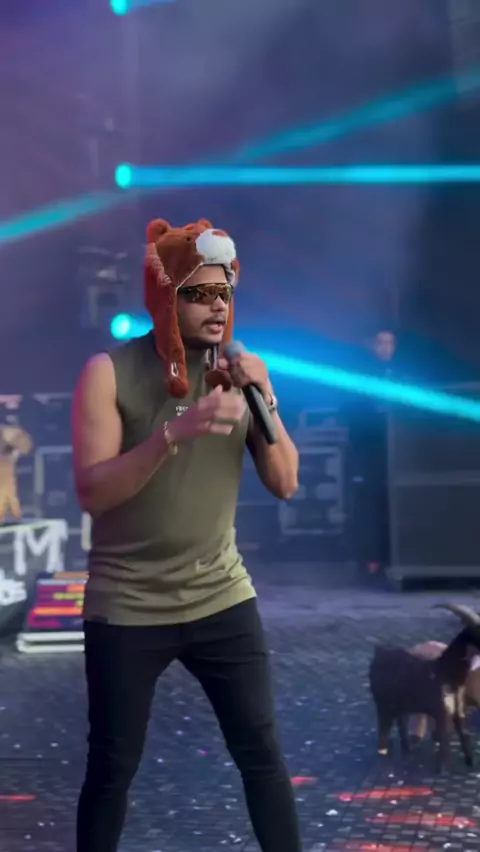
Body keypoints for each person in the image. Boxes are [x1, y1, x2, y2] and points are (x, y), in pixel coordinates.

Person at [72, 217, 302, 852]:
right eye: (200, 293)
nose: (217, 306)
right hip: (128, 602)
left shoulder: (243, 370)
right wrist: (174, 432)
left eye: (224, 292)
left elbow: (285, 482)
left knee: (262, 753)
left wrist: (263, 397)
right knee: (112, 767)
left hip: (220, 595)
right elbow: (92, 492)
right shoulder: (108, 372)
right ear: (165, 297)